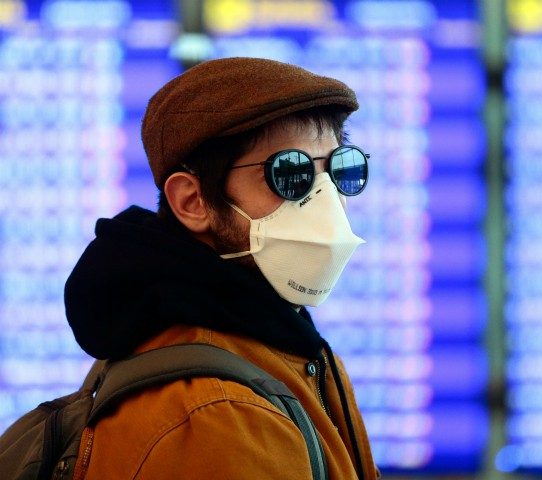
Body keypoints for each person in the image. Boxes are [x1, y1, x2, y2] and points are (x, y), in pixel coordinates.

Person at [64, 57, 378, 479]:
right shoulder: (217, 414)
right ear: (193, 202)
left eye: (339, 168)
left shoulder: (274, 343)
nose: (326, 201)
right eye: (289, 174)